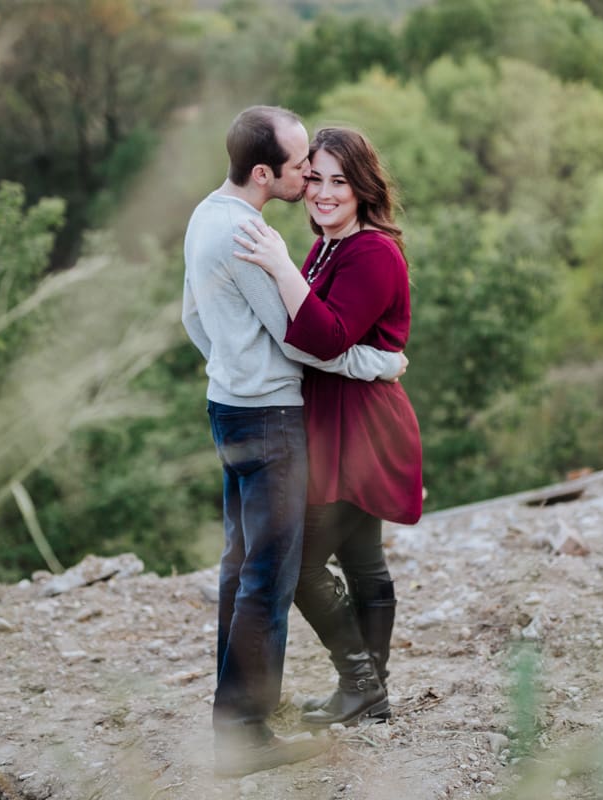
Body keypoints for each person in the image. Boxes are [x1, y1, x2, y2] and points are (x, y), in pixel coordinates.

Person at [181, 107, 407, 777]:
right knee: (268, 579)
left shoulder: (205, 216)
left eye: (325, 168)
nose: (309, 174)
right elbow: (300, 337)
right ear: (263, 173)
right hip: (271, 419)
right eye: (301, 164)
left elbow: (191, 314)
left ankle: (238, 716)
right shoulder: (252, 234)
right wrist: (381, 363)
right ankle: (245, 734)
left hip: (228, 405)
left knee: (240, 566)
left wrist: (228, 363)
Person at [233, 126, 423, 728]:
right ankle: (371, 694)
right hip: (336, 420)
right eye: (315, 178)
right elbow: (317, 341)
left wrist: (281, 267)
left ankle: (361, 683)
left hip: (361, 430)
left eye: (339, 181)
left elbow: (323, 335)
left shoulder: (372, 252)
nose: (323, 192)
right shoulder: (329, 247)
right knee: (362, 557)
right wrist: (382, 360)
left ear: (363, 187)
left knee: (302, 564)